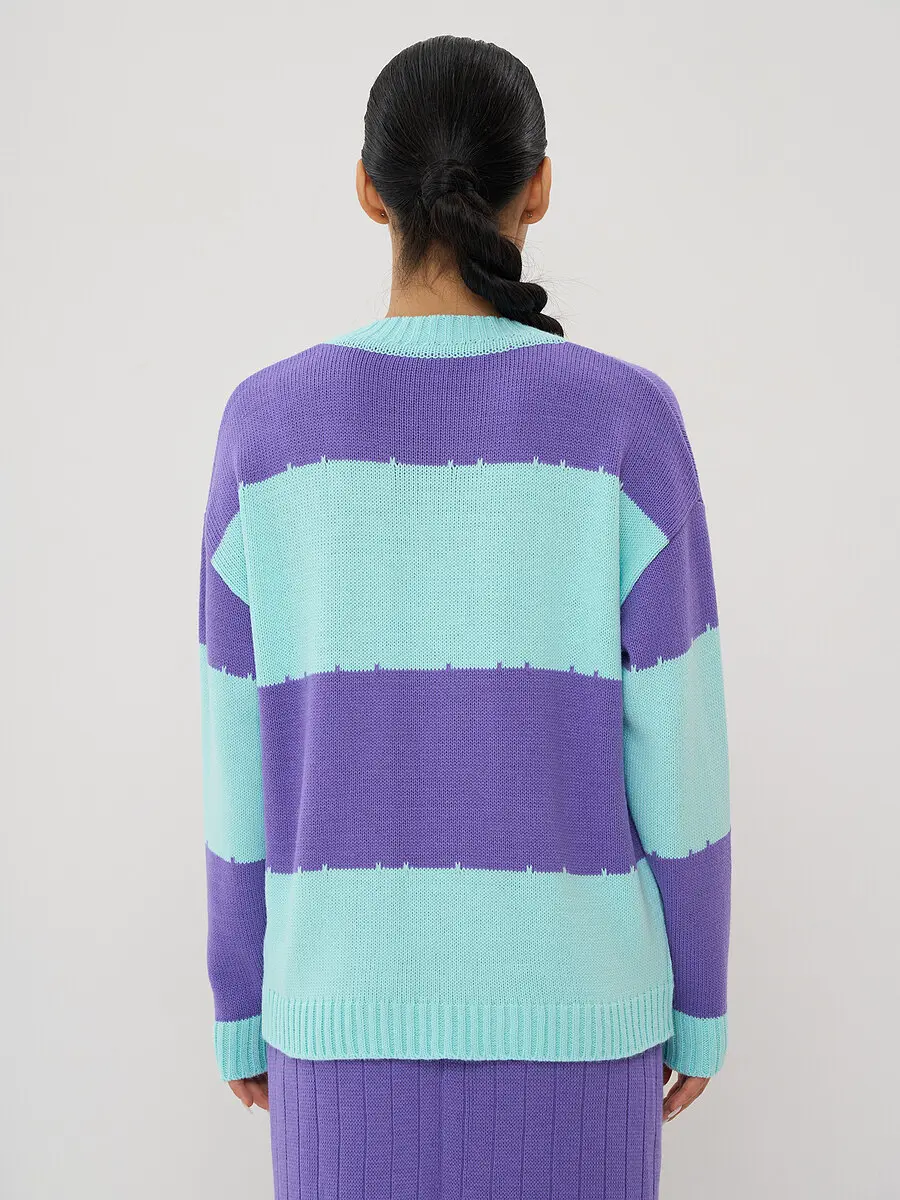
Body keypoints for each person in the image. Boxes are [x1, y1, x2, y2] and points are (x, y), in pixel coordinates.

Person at [197, 33, 731, 1200]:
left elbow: (237, 747)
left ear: (367, 187)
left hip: (336, 1023)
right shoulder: (625, 421)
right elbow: (680, 745)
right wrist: (699, 998)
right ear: (538, 187)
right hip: (582, 1025)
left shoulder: (265, 429)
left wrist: (242, 998)